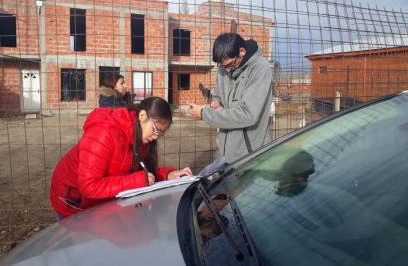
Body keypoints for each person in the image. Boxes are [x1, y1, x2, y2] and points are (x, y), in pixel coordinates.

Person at [50, 96, 192, 218]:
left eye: (160, 133)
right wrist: (137, 180)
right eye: (155, 130)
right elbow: (88, 186)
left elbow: (140, 171)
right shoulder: (103, 133)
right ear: (142, 116)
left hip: (100, 204)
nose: (156, 137)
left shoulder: (139, 136)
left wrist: (168, 175)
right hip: (73, 202)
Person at [189, 32, 272, 167]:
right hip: (226, 152)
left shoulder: (260, 68)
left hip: (250, 155)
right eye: (222, 66)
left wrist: (205, 114)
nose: (226, 71)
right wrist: (217, 102)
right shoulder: (224, 69)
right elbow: (218, 94)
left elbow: (248, 114)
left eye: (230, 65)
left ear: (242, 52)